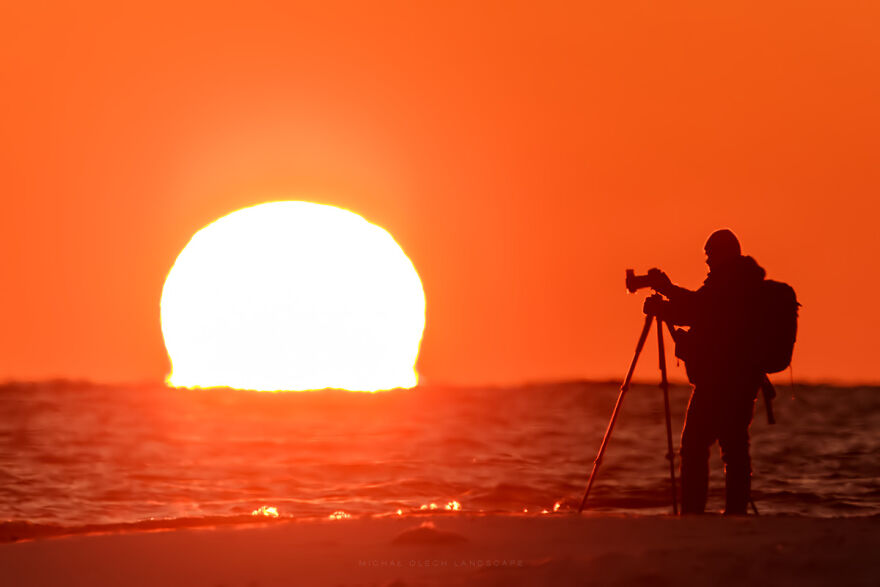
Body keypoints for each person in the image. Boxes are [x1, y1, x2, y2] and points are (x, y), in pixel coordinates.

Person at [643, 229, 766, 515]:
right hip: (741, 381)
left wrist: (666, 291)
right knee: (734, 447)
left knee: (696, 446)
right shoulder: (742, 282)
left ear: (724, 254)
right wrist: (668, 303)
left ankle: (694, 513)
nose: (708, 263)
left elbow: (698, 309)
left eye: (710, 256)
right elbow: (700, 311)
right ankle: (735, 513)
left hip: (720, 382)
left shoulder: (731, 283)